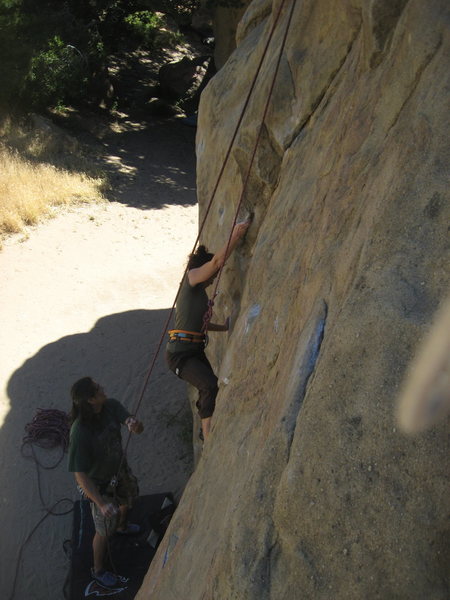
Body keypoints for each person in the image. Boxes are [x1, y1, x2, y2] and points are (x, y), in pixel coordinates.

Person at [166, 221, 250, 441]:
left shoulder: (198, 294)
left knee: (210, 386)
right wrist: (236, 235)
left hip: (191, 350)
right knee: (209, 385)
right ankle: (207, 437)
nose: (213, 278)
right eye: (211, 275)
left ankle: (205, 429)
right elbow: (215, 263)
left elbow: (198, 324)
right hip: (180, 355)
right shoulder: (192, 277)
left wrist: (223, 327)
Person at [67, 377, 144, 588]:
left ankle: (122, 526)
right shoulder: (80, 431)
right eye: (98, 389)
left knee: (128, 500)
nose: (103, 388)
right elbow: (80, 474)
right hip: (99, 486)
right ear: (91, 400)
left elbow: (136, 426)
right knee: (103, 530)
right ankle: (98, 569)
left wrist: (133, 424)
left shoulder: (110, 406)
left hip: (119, 471)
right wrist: (100, 502)